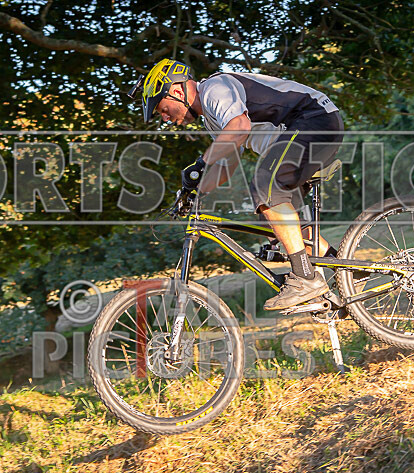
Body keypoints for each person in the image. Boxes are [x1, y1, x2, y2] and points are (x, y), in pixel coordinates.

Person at [138, 59, 344, 310]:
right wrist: (193, 191)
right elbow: (227, 165)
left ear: (177, 91)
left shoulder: (215, 88)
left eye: (162, 108)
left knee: (266, 185)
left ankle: (305, 278)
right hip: (303, 133)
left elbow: (240, 127)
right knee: (275, 222)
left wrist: (200, 163)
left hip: (314, 120)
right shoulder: (212, 121)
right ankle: (345, 271)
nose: (165, 118)